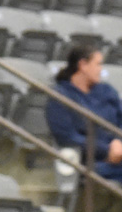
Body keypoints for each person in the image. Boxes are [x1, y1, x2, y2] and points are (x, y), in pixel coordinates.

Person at [46, 43, 122, 183]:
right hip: (87, 162)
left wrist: (118, 142)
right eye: (98, 64)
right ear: (83, 65)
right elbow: (68, 137)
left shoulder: (106, 90)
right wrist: (106, 150)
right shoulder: (61, 96)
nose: (101, 70)